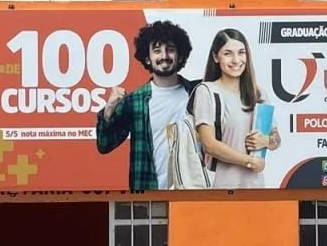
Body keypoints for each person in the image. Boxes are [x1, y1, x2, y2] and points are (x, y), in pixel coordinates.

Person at [95, 20, 195, 191]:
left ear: (180, 56)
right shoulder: (135, 101)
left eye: (170, 49)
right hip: (150, 192)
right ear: (148, 58)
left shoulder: (197, 93)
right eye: (157, 51)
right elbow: (104, 145)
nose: (164, 55)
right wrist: (109, 109)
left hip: (194, 192)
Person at [190, 28, 281, 189]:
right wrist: (249, 161)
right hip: (219, 188)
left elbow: (276, 139)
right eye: (228, 53)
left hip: (255, 187)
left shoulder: (259, 94)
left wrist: (266, 141)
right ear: (215, 57)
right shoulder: (207, 91)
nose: (236, 60)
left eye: (241, 53)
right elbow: (209, 144)